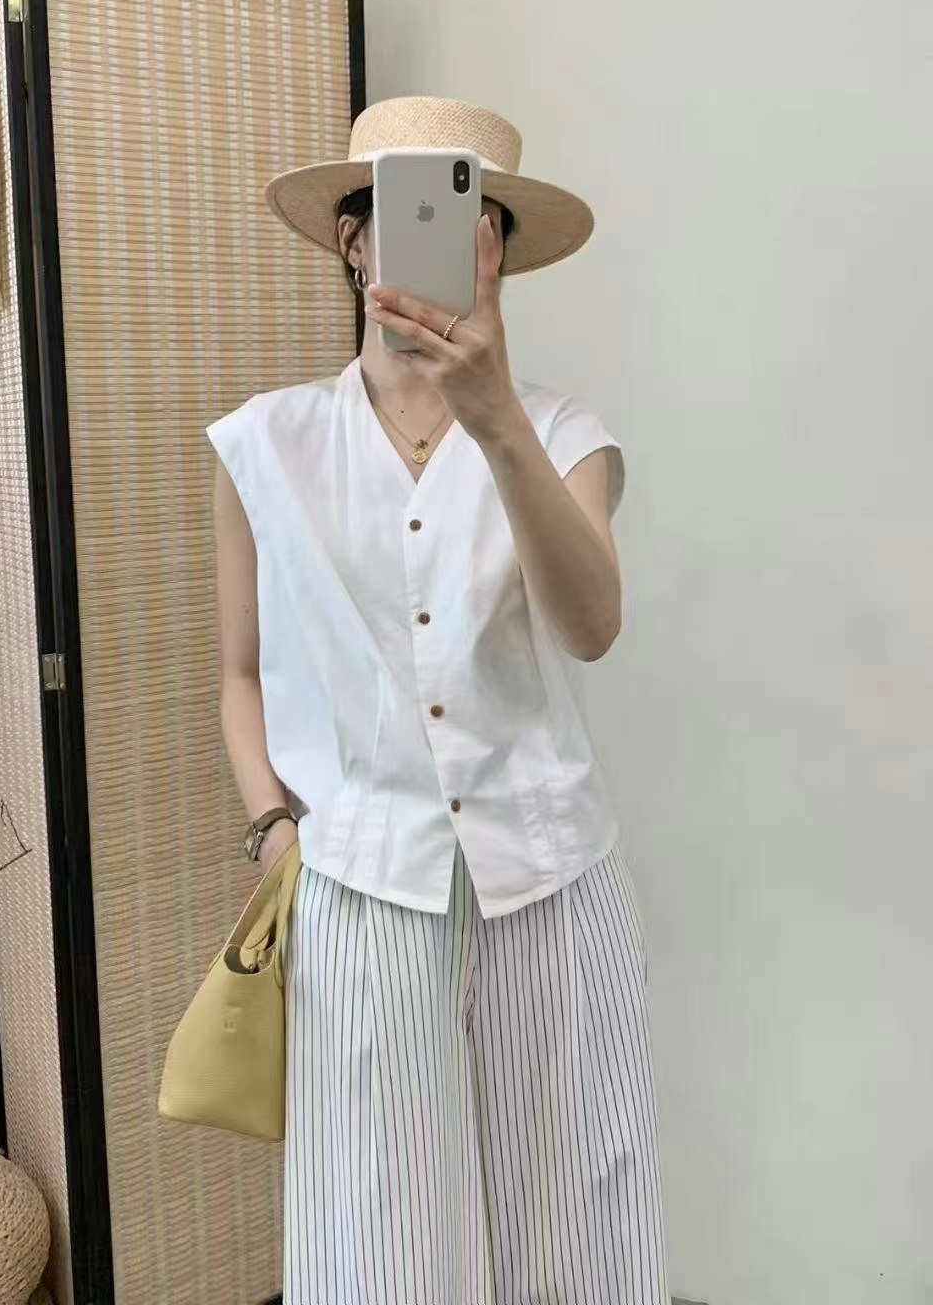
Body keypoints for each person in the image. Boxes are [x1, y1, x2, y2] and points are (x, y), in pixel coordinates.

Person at [206, 96, 670, 1305]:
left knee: (577, 1229)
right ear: (353, 238)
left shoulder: (563, 433)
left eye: (473, 220)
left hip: (553, 888)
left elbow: (592, 627)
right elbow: (240, 671)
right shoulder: (265, 444)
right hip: (359, 895)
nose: (441, 240)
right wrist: (271, 827)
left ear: (497, 248)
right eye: (404, 214)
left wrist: (496, 417)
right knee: (381, 1249)